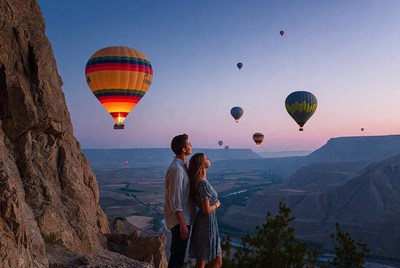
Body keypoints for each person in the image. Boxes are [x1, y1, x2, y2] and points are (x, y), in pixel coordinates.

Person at [164, 134, 195, 268]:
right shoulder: (177, 169)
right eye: (189, 144)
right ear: (183, 149)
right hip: (180, 221)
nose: (191, 146)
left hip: (183, 219)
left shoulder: (181, 166)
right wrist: (182, 223)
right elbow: (175, 200)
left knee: (179, 256)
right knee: (177, 257)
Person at [188, 153, 222, 268]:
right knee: (215, 261)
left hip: (207, 222)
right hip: (206, 223)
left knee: (202, 259)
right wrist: (217, 204)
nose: (209, 158)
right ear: (201, 164)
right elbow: (206, 210)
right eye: (206, 158)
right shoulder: (202, 183)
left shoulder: (201, 181)